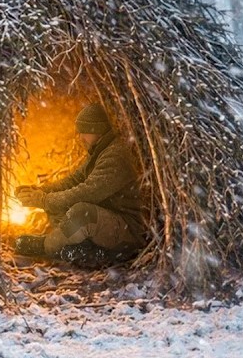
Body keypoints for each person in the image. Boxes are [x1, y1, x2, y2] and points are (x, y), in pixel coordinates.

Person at [12, 103, 147, 267]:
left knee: (81, 212)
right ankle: (84, 250)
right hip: (108, 221)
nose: (81, 137)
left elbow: (87, 192)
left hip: (127, 230)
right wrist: (39, 191)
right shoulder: (101, 150)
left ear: (98, 130)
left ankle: (47, 247)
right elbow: (73, 180)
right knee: (60, 205)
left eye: (85, 131)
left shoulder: (116, 156)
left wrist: (44, 200)